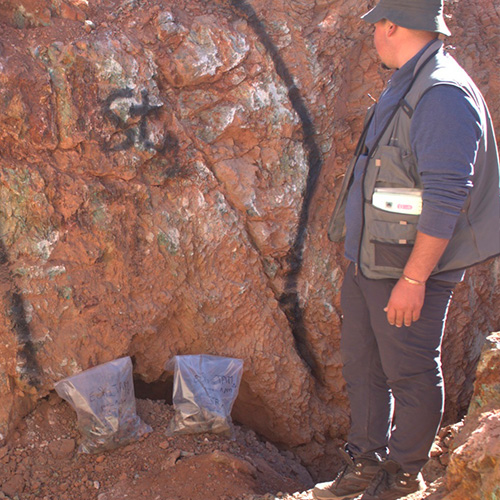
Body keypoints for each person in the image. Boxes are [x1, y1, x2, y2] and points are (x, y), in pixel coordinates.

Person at [313, 0, 500, 499]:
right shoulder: (410, 81)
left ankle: (402, 474)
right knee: (363, 365)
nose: (374, 34)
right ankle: (365, 461)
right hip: (372, 260)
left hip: (406, 269)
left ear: (392, 25)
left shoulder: (442, 95)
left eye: (376, 24)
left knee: (410, 371)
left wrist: (414, 280)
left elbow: (446, 196)